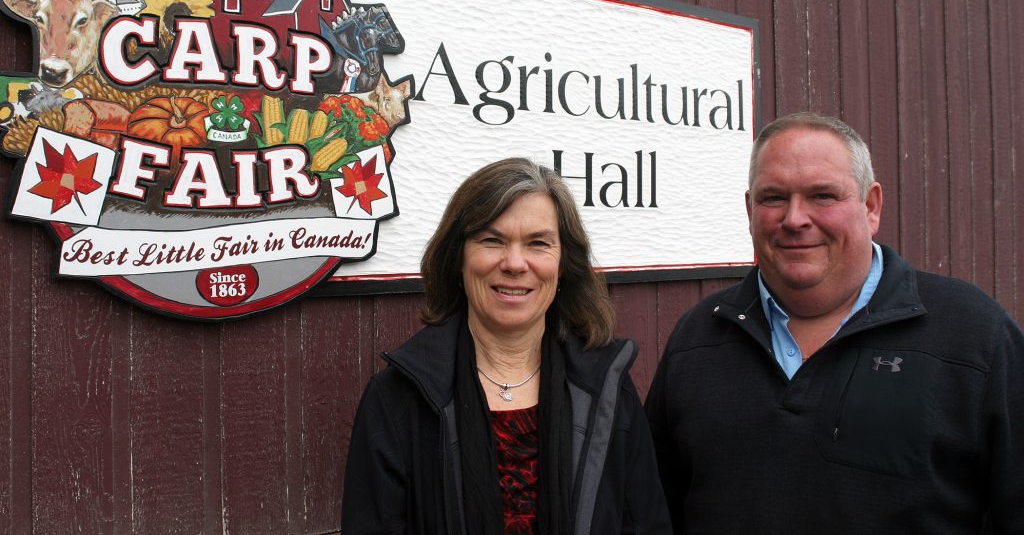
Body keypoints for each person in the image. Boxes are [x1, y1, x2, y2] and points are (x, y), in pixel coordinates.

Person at [645, 112, 1024, 533]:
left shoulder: (973, 335)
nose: (795, 219)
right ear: (750, 209)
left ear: (871, 205)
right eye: (774, 198)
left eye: (822, 195)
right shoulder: (699, 337)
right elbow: (653, 509)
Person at [342, 157, 671, 534]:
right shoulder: (398, 401)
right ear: (458, 258)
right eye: (492, 239)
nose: (515, 263)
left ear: (564, 264)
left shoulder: (607, 390)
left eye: (538, 243)